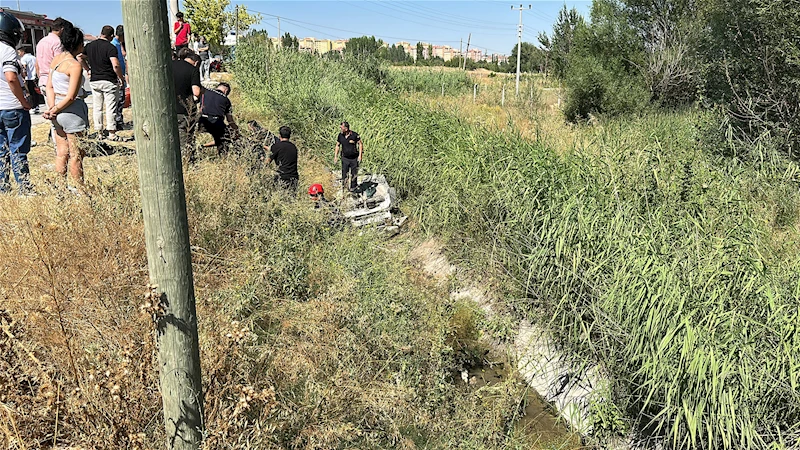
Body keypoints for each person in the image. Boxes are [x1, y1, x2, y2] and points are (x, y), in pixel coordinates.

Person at [43, 22, 88, 193]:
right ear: (78, 44)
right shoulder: (74, 65)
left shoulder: (56, 60)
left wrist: (52, 108)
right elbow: (71, 95)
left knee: (62, 152)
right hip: (71, 111)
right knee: (77, 154)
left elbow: (49, 86)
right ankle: (80, 189)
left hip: (57, 109)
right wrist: (55, 109)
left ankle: (61, 189)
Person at [0, 11, 34, 195]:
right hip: (12, 107)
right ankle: (25, 188)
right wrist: (24, 101)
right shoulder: (7, 50)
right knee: (18, 150)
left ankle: (3, 188)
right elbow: (11, 77)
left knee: (1, 151)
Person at [85, 25, 124, 141]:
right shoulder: (110, 47)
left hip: (95, 80)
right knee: (110, 107)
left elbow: (80, 56)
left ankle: (99, 132)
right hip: (108, 80)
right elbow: (115, 64)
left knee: (97, 107)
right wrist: (121, 78)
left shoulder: (90, 46)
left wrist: (88, 69)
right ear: (111, 36)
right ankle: (111, 132)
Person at [172, 51, 201, 157]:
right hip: (184, 110)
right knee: (185, 137)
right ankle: (187, 159)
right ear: (196, 63)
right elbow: (196, 92)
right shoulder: (193, 70)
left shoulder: (170, 65)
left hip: (168, 108)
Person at [199, 82, 237, 154]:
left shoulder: (205, 91)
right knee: (225, 137)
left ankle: (198, 148)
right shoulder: (227, 100)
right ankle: (223, 157)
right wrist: (236, 129)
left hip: (202, 120)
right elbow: (230, 120)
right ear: (226, 91)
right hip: (216, 122)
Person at [267, 126, 299, 191]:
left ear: (279, 135)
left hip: (282, 177)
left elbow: (267, 161)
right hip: (294, 177)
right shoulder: (294, 147)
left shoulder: (277, 146)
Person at [334, 121, 363, 191]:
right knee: (344, 174)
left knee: (354, 175)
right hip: (345, 158)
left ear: (346, 129)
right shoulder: (340, 135)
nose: (340, 129)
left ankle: (353, 189)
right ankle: (345, 189)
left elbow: (360, 144)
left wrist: (360, 156)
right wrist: (335, 156)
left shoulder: (354, 135)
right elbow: (337, 145)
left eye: (341, 128)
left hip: (354, 158)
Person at [111, 25, 126, 130]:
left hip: (121, 74)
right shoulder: (113, 45)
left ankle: (119, 120)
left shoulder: (118, 44)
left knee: (121, 98)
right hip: (117, 76)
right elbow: (115, 63)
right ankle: (118, 121)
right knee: (119, 99)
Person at [16, 45, 39, 114]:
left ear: (23, 52)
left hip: (28, 77)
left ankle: (33, 107)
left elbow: (24, 67)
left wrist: (23, 75)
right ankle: (37, 106)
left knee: (30, 92)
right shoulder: (34, 57)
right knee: (36, 93)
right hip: (35, 76)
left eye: (19, 52)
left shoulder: (24, 59)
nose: (19, 54)